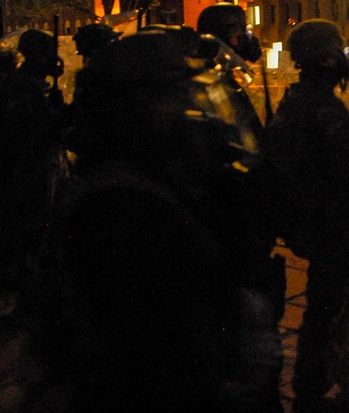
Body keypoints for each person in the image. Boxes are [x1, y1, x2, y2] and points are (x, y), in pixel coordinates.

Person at [36, 30, 283, 412]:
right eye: (179, 96)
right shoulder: (122, 206)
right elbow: (167, 355)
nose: (194, 109)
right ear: (139, 106)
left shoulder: (147, 178)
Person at [265, 19, 349, 413]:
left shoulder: (297, 100)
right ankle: (312, 385)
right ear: (327, 57)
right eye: (339, 50)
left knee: (336, 299)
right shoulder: (323, 108)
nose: (345, 58)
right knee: (330, 301)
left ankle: (342, 361)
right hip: (330, 223)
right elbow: (348, 170)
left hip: (316, 221)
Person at [0, 29, 67, 316]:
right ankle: (25, 291)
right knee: (30, 229)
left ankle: (12, 281)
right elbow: (30, 133)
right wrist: (55, 114)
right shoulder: (26, 87)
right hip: (28, 169)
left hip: (20, 168)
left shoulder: (26, 84)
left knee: (16, 227)